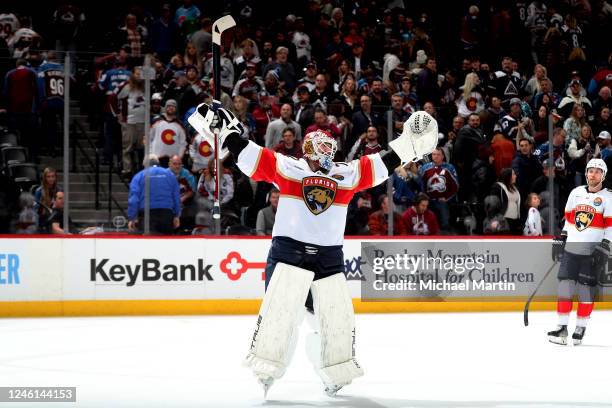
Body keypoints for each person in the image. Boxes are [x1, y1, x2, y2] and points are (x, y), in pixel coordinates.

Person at [188, 103, 437, 396]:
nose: (326, 149)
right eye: (320, 144)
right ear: (307, 148)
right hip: (288, 253)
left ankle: (333, 371)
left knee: (331, 320)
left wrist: (408, 146)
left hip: (328, 258)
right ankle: (267, 369)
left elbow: (382, 163)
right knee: (283, 316)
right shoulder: (290, 166)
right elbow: (249, 154)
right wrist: (226, 132)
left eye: (329, 145)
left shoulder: (346, 173)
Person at [548, 159, 612, 346]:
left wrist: (606, 245)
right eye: (590, 171)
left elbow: (610, 227)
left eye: (597, 172)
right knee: (564, 287)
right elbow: (569, 220)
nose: (593, 174)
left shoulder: (608, 197)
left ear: (603, 175)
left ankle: (580, 327)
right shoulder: (576, 193)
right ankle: (561, 328)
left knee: (586, 289)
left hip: (593, 251)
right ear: (586, 173)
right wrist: (561, 238)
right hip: (572, 249)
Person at [128, 154, 181, 235]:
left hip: (147, 215)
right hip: (166, 214)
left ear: (144, 164)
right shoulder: (170, 175)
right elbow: (176, 197)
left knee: (148, 244)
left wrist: (132, 217)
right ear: (158, 162)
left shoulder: (138, 176)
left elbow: (133, 199)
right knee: (166, 244)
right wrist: (176, 215)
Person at [417, 147, 458, 231]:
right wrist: (424, 198)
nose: (435, 156)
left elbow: (455, 186)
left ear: (443, 156)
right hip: (428, 201)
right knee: (427, 225)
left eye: (438, 154)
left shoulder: (449, 167)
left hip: (443, 201)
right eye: (434, 154)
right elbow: (421, 184)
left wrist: (446, 198)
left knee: (445, 225)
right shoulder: (425, 168)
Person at [149, 99, 187, 166]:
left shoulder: (180, 125)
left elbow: (183, 143)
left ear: (176, 109)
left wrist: (179, 157)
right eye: (169, 106)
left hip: (173, 161)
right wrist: (151, 154)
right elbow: (148, 138)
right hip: (157, 159)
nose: (171, 108)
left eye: (173, 106)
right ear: (165, 107)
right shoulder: (156, 121)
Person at [489, 167, 522, 234]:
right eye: (513, 174)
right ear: (508, 176)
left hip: (515, 221)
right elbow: (493, 204)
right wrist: (494, 219)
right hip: (503, 220)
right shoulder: (497, 187)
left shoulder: (515, 188)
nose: (515, 176)